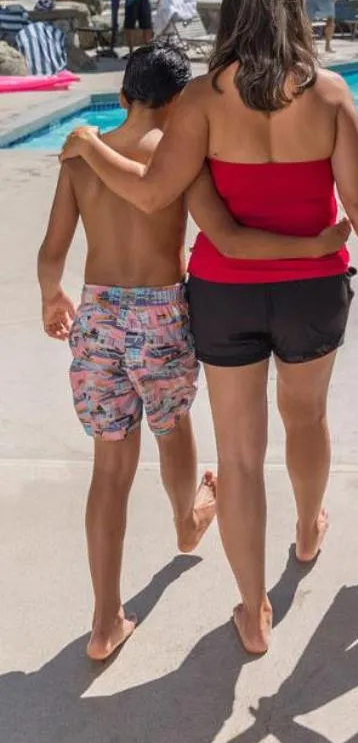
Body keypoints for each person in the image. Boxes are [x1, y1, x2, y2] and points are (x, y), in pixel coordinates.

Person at [61, 0, 358, 656]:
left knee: (240, 458)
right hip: (314, 287)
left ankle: (252, 612)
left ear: (233, 13)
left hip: (225, 295)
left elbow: (157, 193)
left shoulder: (200, 101)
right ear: (294, 12)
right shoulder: (331, 96)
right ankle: (309, 527)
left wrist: (90, 149)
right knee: (305, 417)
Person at [36, 45, 214, 661]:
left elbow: (52, 247)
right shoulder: (179, 155)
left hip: (99, 317)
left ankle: (105, 621)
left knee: (108, 470)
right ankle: (187, 521)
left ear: (122, 98)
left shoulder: (80, 160)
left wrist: (50, 294)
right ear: (178, 101)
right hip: (159, 312)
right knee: (173, 426)